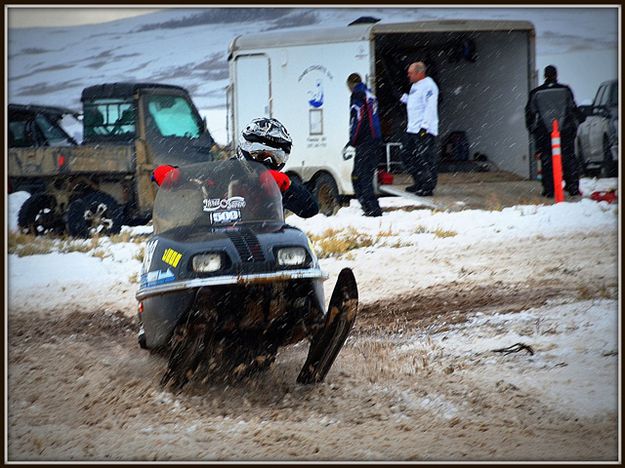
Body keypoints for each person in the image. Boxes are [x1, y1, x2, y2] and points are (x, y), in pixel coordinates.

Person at [152, 117, 319, 218]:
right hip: (217, 238)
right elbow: (198, 172)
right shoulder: (224, 170)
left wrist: (287, 187)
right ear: (245, 149)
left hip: (267, 238)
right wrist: (173, 174)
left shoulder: (277, 182)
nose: (267, 161)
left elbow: (310, 209)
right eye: (259, 154)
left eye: (276, 157)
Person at [525, 65, 582, 197]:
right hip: (565, 131)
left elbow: (530, 114)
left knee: (547, 161)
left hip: (544, 132)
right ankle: (572, 187)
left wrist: (533, 130)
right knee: (568, 159)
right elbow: (573, 109)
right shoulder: (565, 90)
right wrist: (574, 125)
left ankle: (549, 189)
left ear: (544, 75)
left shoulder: (536, 93)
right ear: (556, 75)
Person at [400, 61, 439, 196]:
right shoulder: (415, 86)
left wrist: (425, 127)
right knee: (407, 156)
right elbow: (415, 103)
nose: (408, 75)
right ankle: (419, 182)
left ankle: (428, 186)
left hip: (423, 130)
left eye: (410, 73)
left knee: (425, 159)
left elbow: (430, 107)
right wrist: (404, 98)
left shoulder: (429, 86)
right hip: (412, 129)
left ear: (419, 73)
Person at [346, 73, 383, 217]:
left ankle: (371, 209)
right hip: (375, 139)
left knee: (360, 176)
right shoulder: (369, 94)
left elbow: (358, 119)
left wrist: (353, 139)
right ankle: (370, 207)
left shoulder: (357, 95)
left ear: (350, 84)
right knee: (363, 175)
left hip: (365, 141)